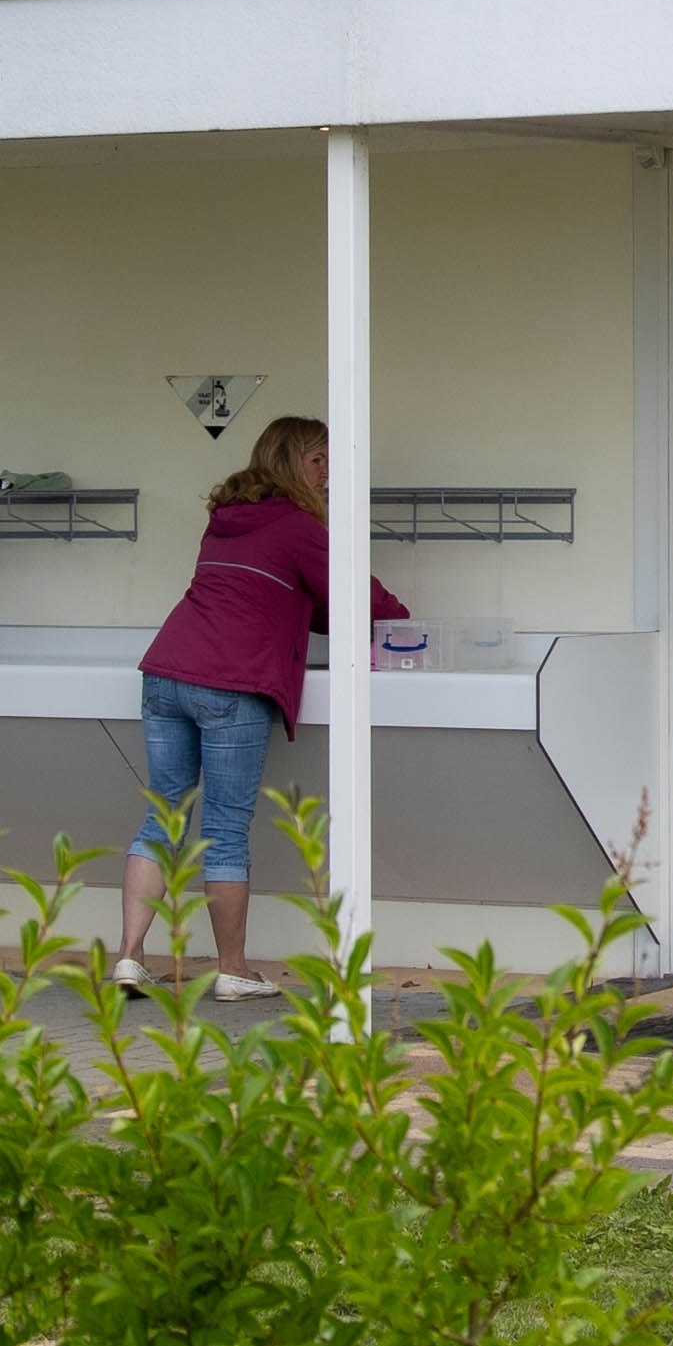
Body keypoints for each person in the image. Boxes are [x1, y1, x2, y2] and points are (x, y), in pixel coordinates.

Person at [124, 414, 408, 999]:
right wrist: (401, 620)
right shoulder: (300, 526)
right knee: (225, 829)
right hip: (230, 683)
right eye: (317, 460)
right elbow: (356, 597)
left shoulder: (224, 520)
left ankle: (129, 959)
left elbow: (288, 597)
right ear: (289, 463)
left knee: (163, 820)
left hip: (166, 672)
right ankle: (232, 970)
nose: (328, 472)